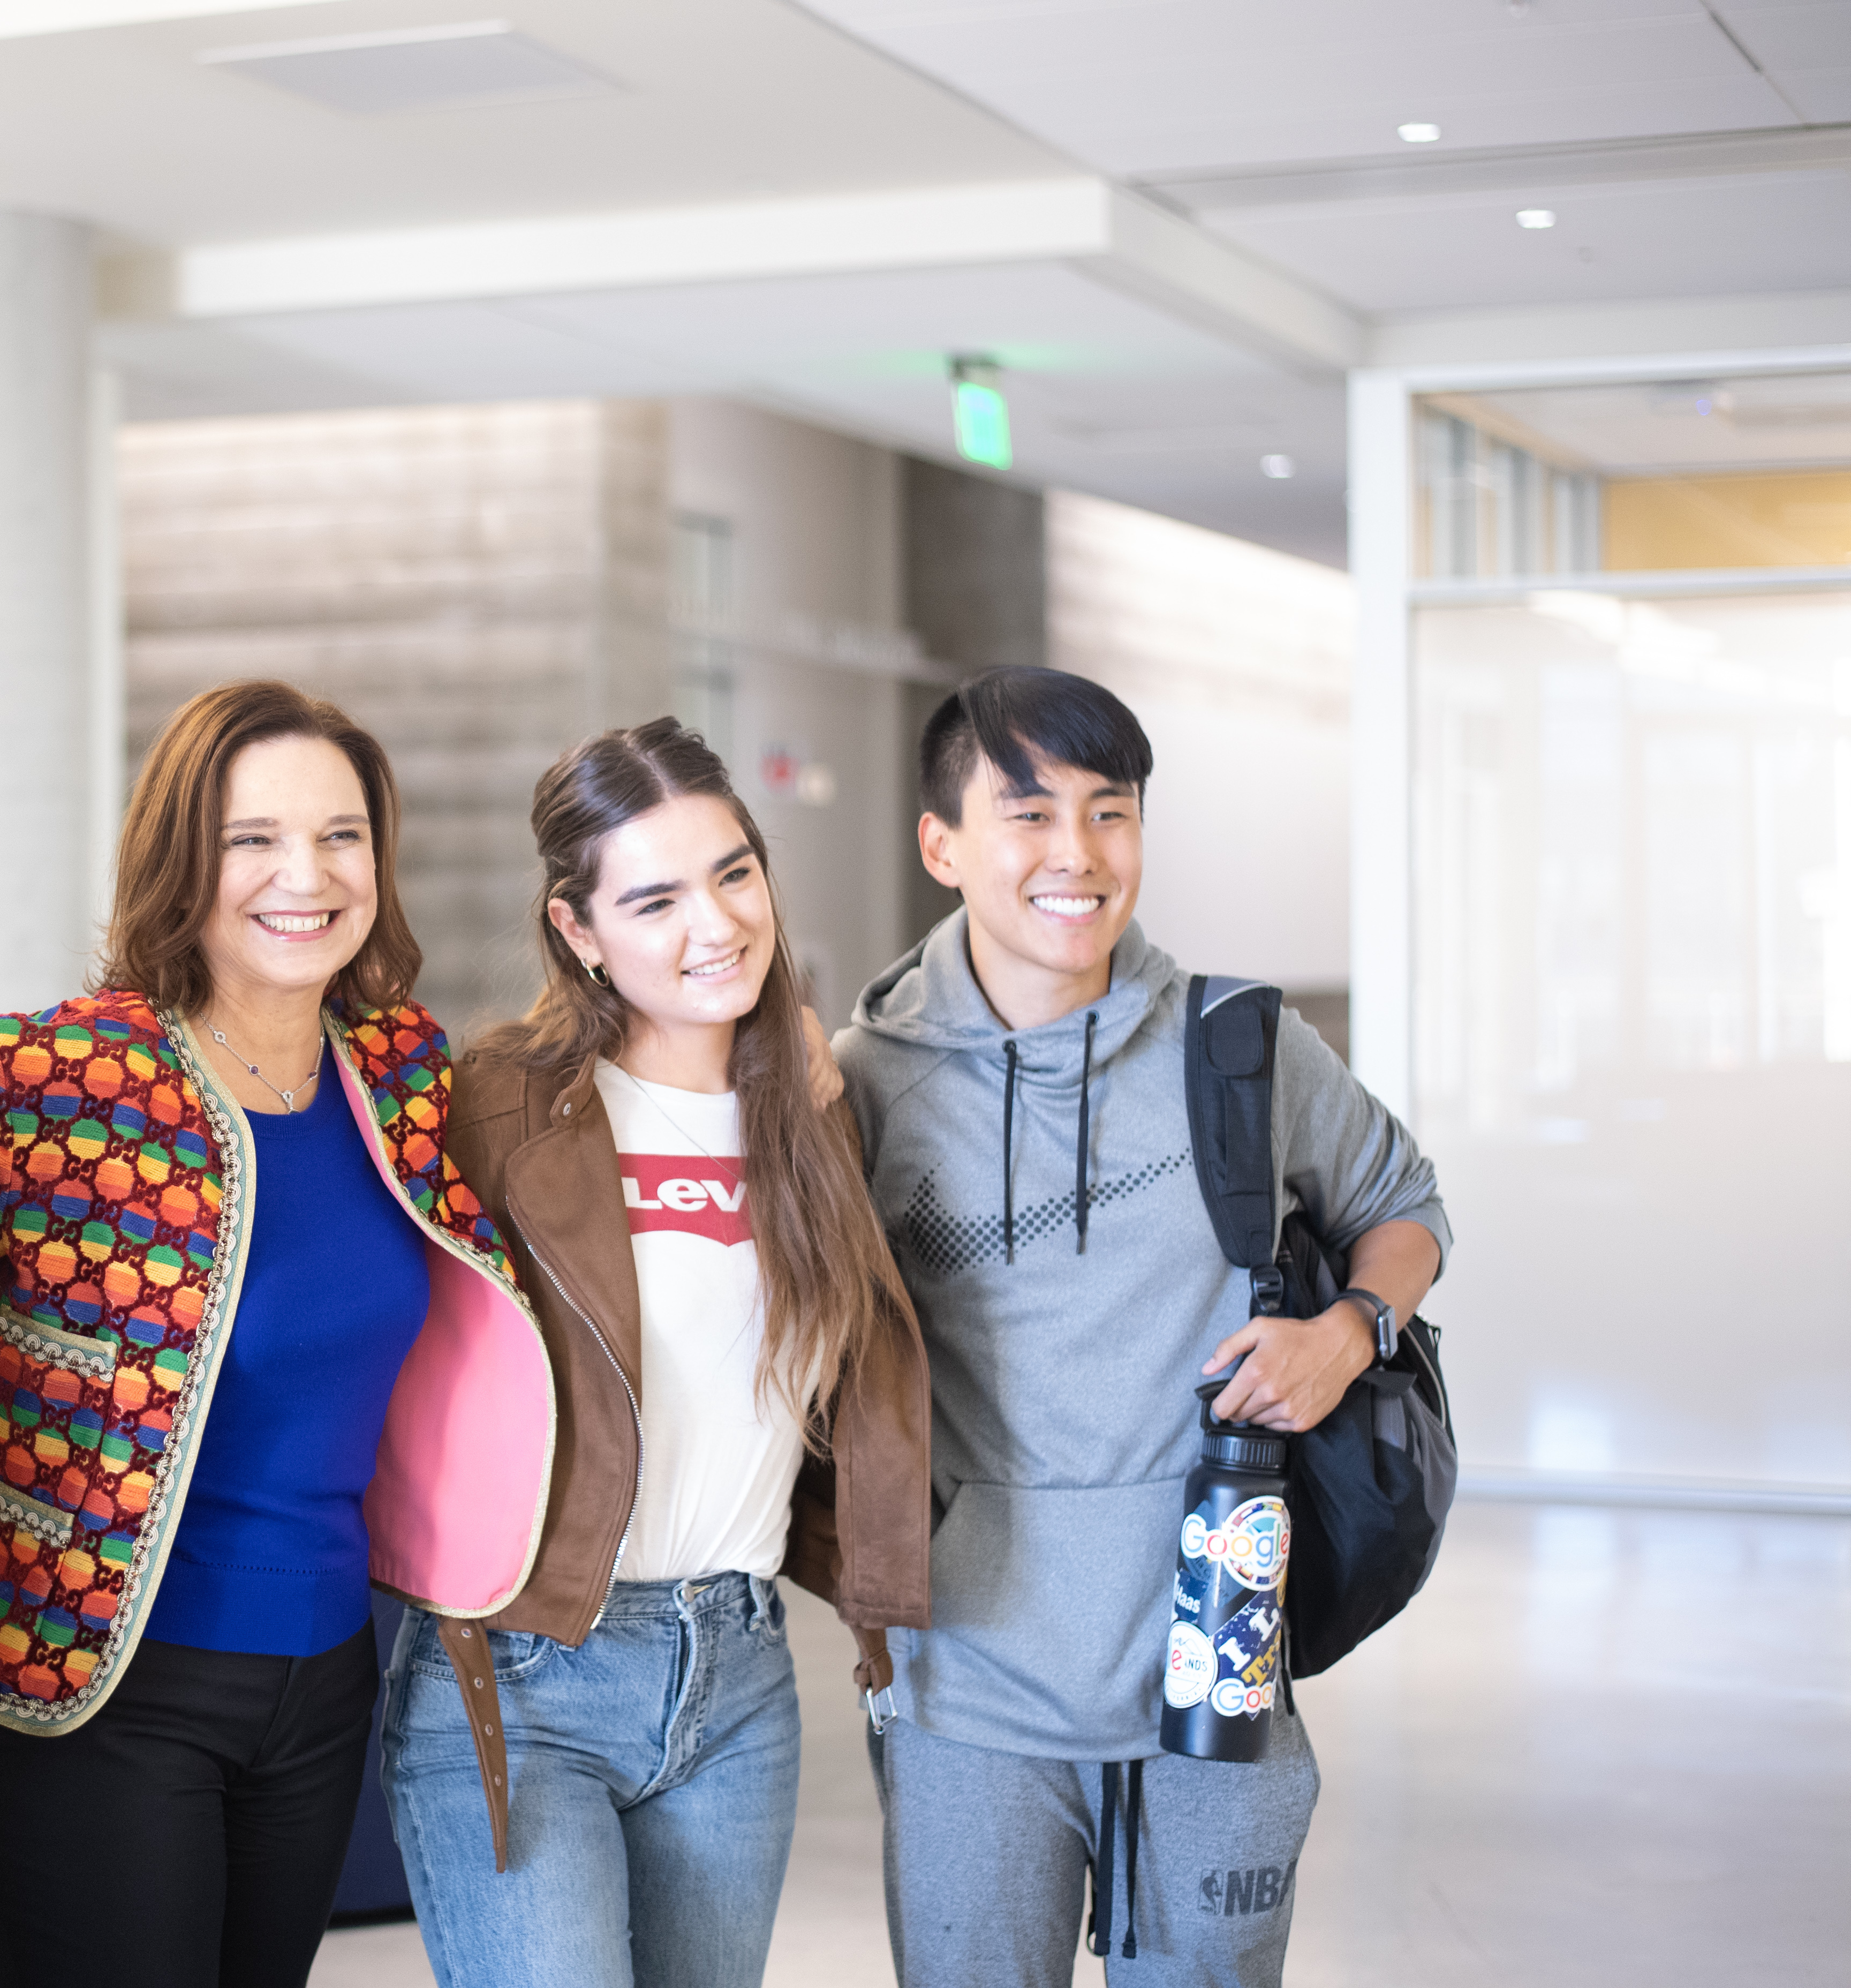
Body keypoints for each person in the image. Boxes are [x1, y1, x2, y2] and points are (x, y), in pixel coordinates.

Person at [0, 680, 558, 1988]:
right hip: (87, 1679)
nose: (303, 874)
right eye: (251, 836)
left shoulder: (405, 1076)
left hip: (322, 1679)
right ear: (180, 857)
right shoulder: (56, 1079)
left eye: (341, 835)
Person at [837, 667, 1447, 1988]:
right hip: (968, 1686)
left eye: (1112, 814)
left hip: (1218, 1657)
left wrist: (1349, 1329)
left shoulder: (1237, 1045)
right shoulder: (861, 1080)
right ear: (942, 844)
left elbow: (1405, 1206)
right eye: (1031, 814)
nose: (1079, 854)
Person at [381, 718, 930, 1987]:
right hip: (525, 1670)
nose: (717, 924)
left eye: (736, 872)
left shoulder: (811, 1109)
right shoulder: (496, 1106)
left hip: (738, 1675)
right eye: (656, 898)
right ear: (579, 930)